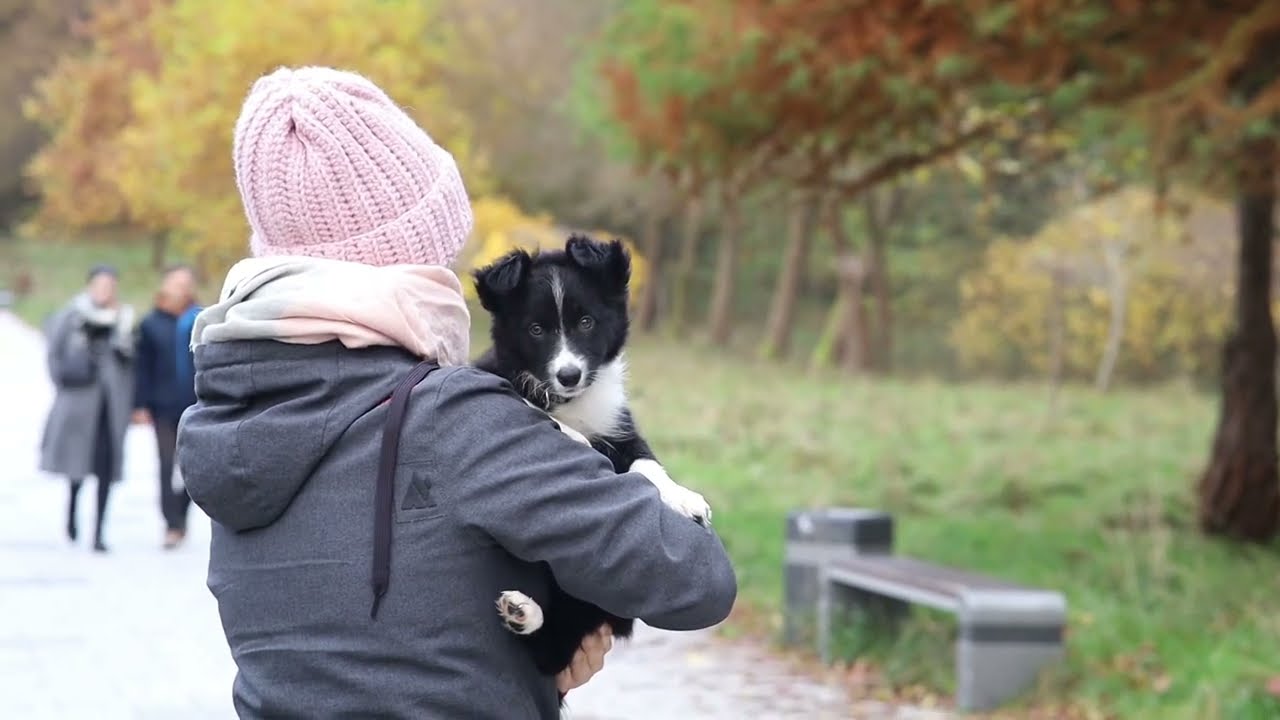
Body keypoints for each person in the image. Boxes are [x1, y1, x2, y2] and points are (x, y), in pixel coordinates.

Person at [177, 66, 737, 719]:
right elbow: (696, 578)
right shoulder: (453, 417)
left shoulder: (230, 415)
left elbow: (361, 637)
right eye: (438, 251)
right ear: (401, 260)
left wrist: (526, 656)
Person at [41, 265, 137, 553]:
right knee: (76, 465)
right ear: (90, 286)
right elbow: (54, 355)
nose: (105, 291)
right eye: (100, 285)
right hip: (78, 404)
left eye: (110, 285)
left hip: (111, 406)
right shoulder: (72, 316)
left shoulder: (125, 319)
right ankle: (71, 514)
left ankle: (99, 532)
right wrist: (66, 380)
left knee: (105, 469)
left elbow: (134, 361)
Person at [134, 264, 200, 549]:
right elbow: (142, 368)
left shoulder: (200, 318)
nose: (180, 288)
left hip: (195, 404)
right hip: (162, 405)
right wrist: (139, 404)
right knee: (164, 465)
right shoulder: (151, 323)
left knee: (193, 467)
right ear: (164, 285)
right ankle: (171, 523)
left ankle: (182, 512)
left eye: (185, 283)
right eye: (175, 282)